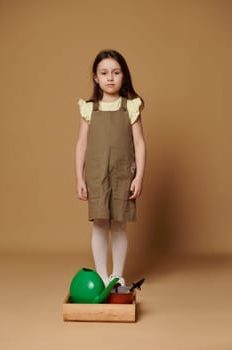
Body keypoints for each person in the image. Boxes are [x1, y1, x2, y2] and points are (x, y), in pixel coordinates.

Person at [75, 49, 146, 286]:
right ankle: (102, 276)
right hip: (97, 175)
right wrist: (79, 178)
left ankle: (117, 275)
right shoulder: (89, 108)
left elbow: (139, 143)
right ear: (95, 77)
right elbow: (82, 144)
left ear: (124, 76)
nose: (110, 78)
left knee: (119, 225)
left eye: (116, 72)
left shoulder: (131, 107)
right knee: (100, 224)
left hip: (123, 174)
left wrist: (139, 178)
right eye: (104, 73)